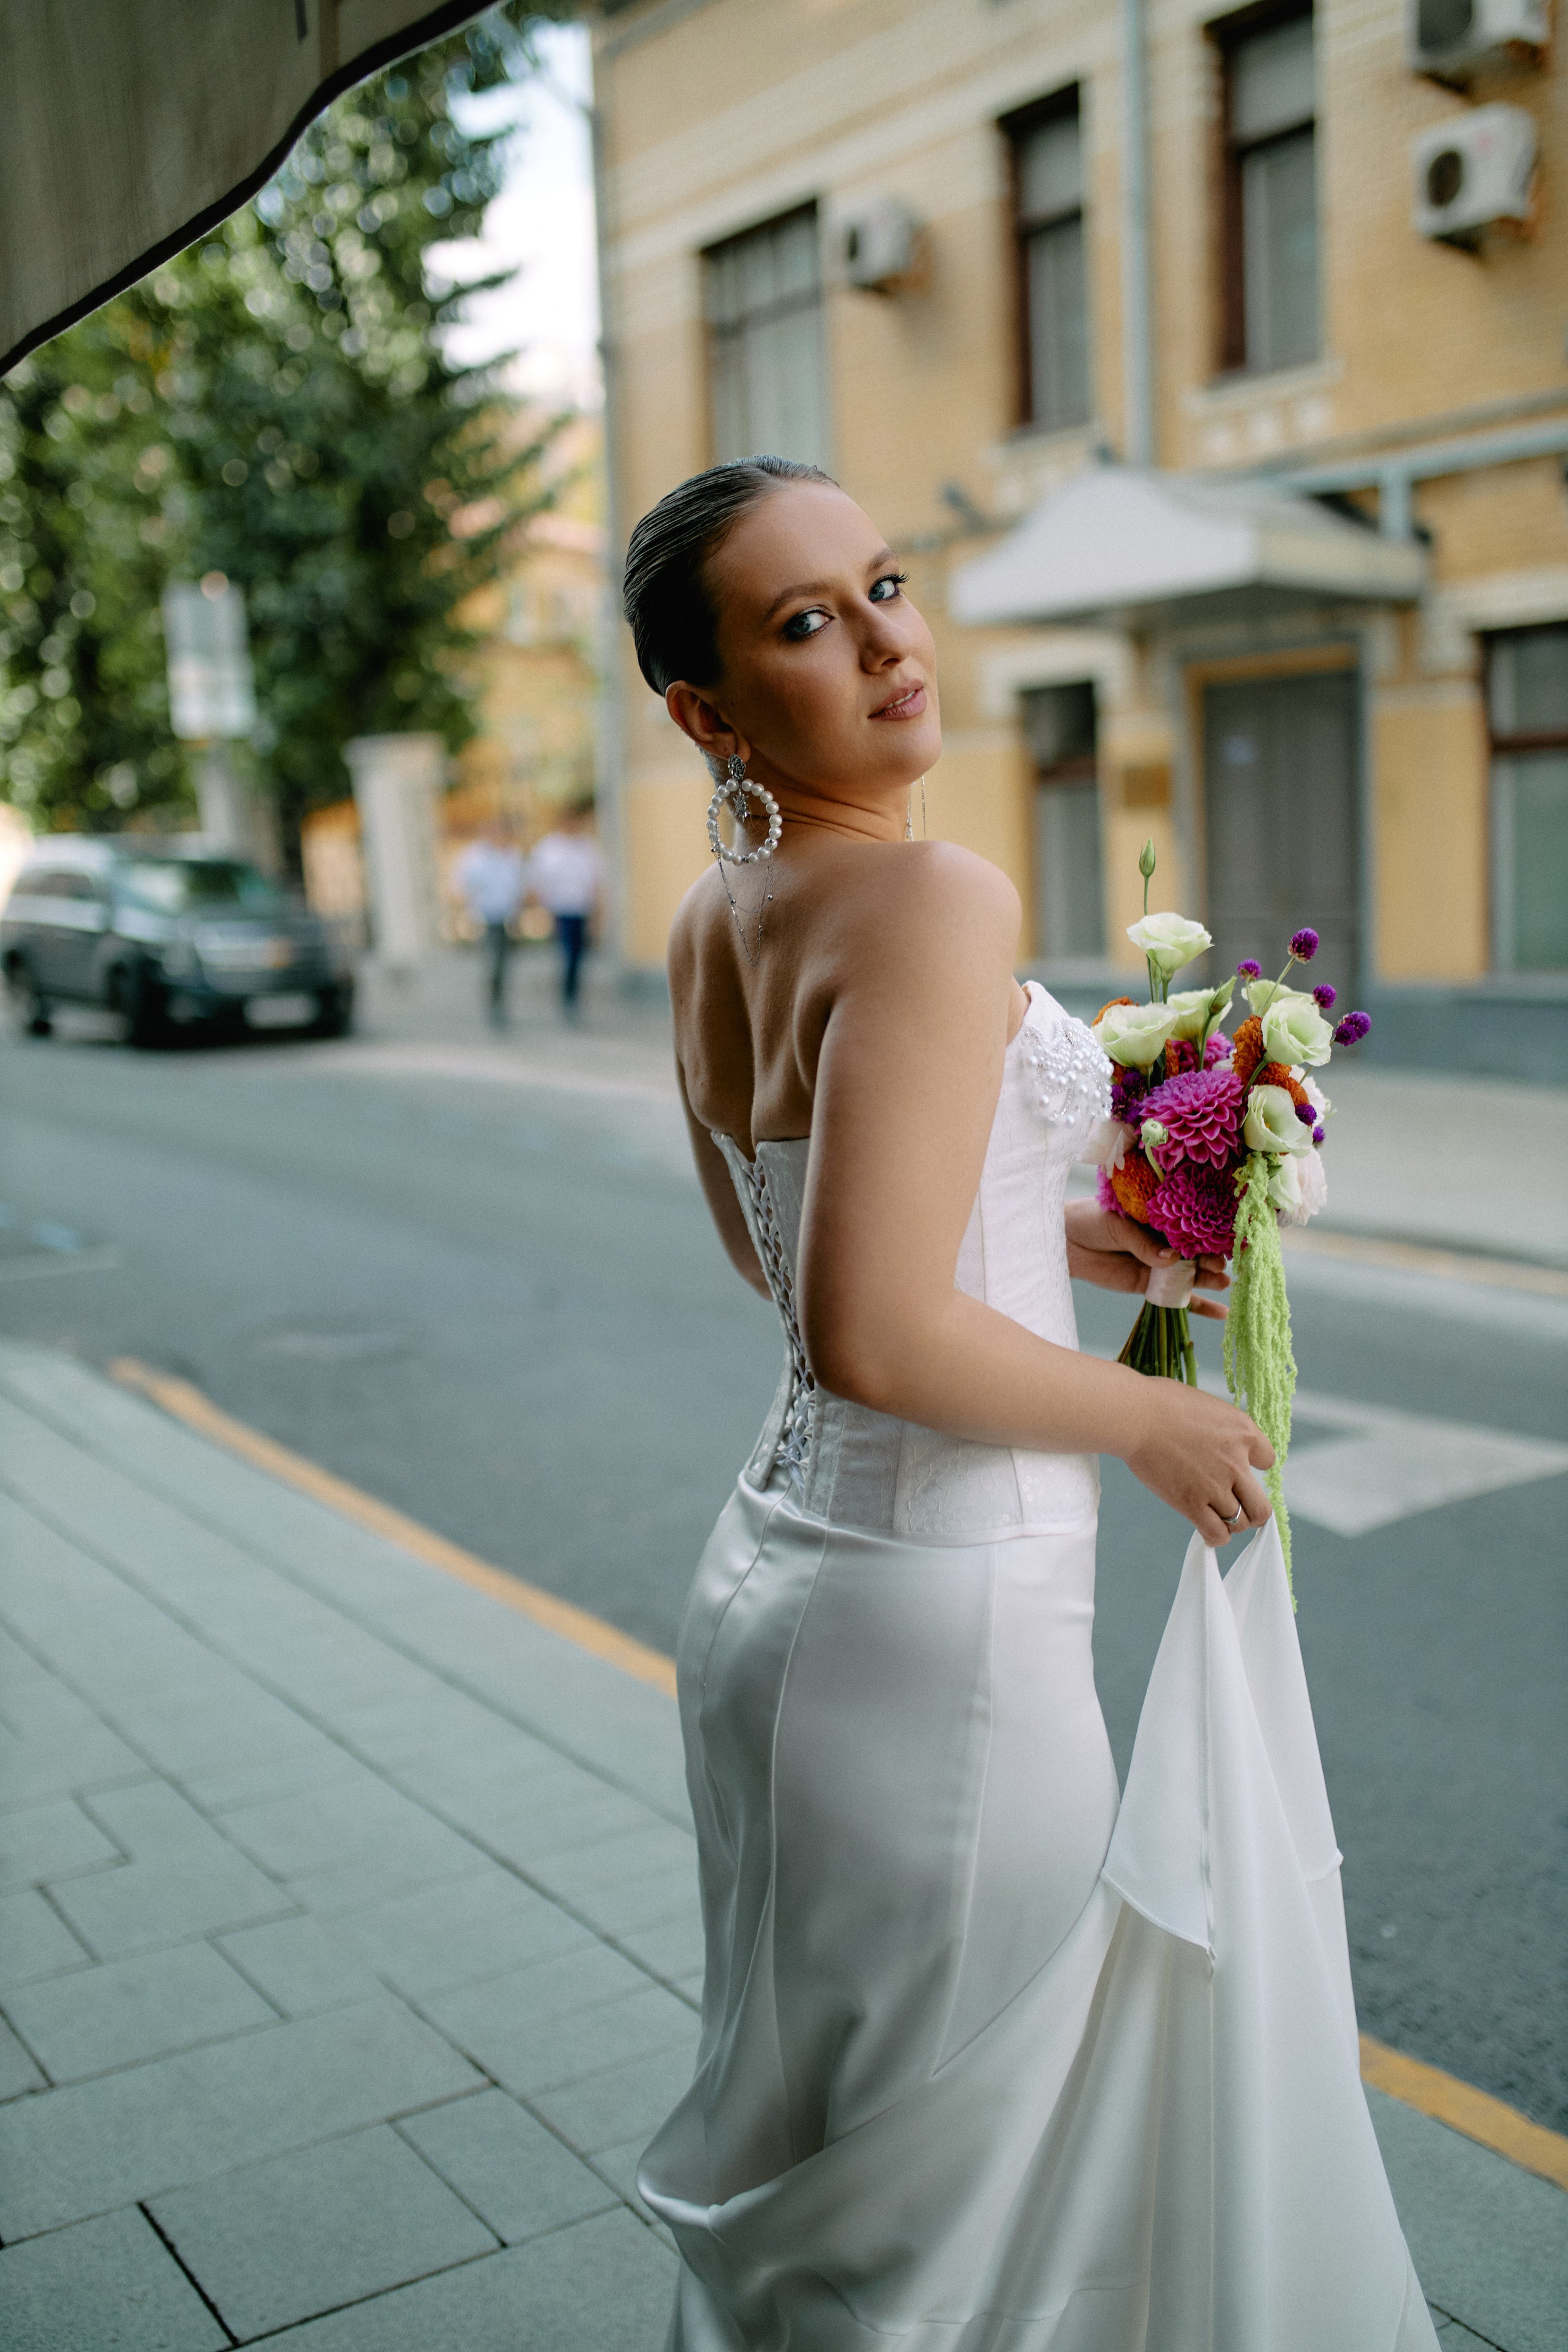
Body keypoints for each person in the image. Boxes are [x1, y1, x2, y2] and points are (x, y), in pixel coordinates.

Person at [624, 458, 1439, 2351]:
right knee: (956, 2176)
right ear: (707, 706)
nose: (890, 636)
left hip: (773, 1600)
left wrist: (1079, 1231)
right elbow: (871, 1333)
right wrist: (1152, 1421)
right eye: (807, 621)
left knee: (842, 2123)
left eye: (886, 581)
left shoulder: (713, 911)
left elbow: (791, 1252)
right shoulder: (925, 893)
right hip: (936, 1630)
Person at [526, 797, 602, 1014]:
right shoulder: (549, 847)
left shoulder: (587, 847)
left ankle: (573, 992)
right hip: (560, 909)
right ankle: (567, 994)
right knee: (567, 953)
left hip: (581, 908)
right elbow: (537, 878)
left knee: (579, 954)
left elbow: (596, 880)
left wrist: (598, 910)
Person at [452, 820, 526, 1027]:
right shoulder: (475, 857)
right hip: (485, 917)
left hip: (507, 918)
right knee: (493, 962)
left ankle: (500, 1002)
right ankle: (493, 1003)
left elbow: (518, 888)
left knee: (504, 964)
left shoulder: (512, 856)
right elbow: (462, 885)